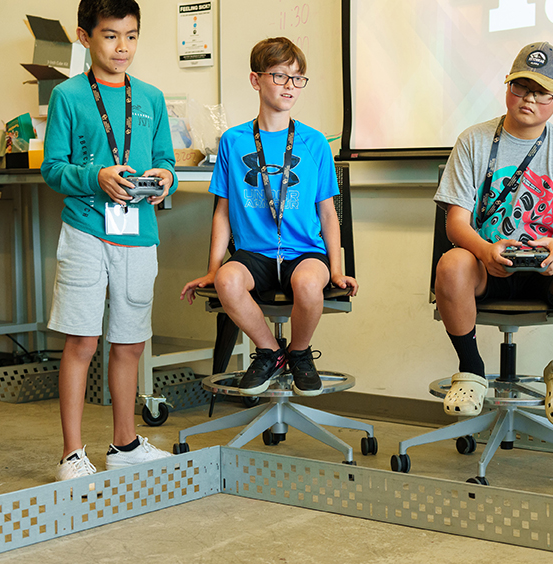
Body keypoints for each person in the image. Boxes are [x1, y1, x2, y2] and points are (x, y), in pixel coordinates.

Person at [433, 42, 553, 430]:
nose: (528, 99)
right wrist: (484, 250)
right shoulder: (474, 141)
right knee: (451, 263)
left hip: (547, 272)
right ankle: (471, 371)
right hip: (488, 269)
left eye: (541, 92)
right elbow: (456, 225)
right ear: (507, 87)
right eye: (520, 87)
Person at [42, 0, 177, 481]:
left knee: (131, 341)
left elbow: (167, 161)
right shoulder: (68, 96)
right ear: (85, 37)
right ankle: (72, 454)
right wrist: (95, 176)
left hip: (138, 233)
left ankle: (124, 444)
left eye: (132, 36)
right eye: (111, 36)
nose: (123, 47)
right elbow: (53, 169)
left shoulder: (152, 98)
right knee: (83, 338)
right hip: (85, 228)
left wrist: (165, 178)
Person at [180, 37, 358, 397]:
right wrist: (214, 268)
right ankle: (270, 352)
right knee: (228, 282)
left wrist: (336, 269)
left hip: (303, 250)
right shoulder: (233, 140)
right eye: (279, 76)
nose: (290, 86)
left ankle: (300, 352)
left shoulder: (314, 142)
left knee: (309, 284)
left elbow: (328, 213)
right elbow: (223, 211)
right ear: (255, 79)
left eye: (297, 78)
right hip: (254, 254)